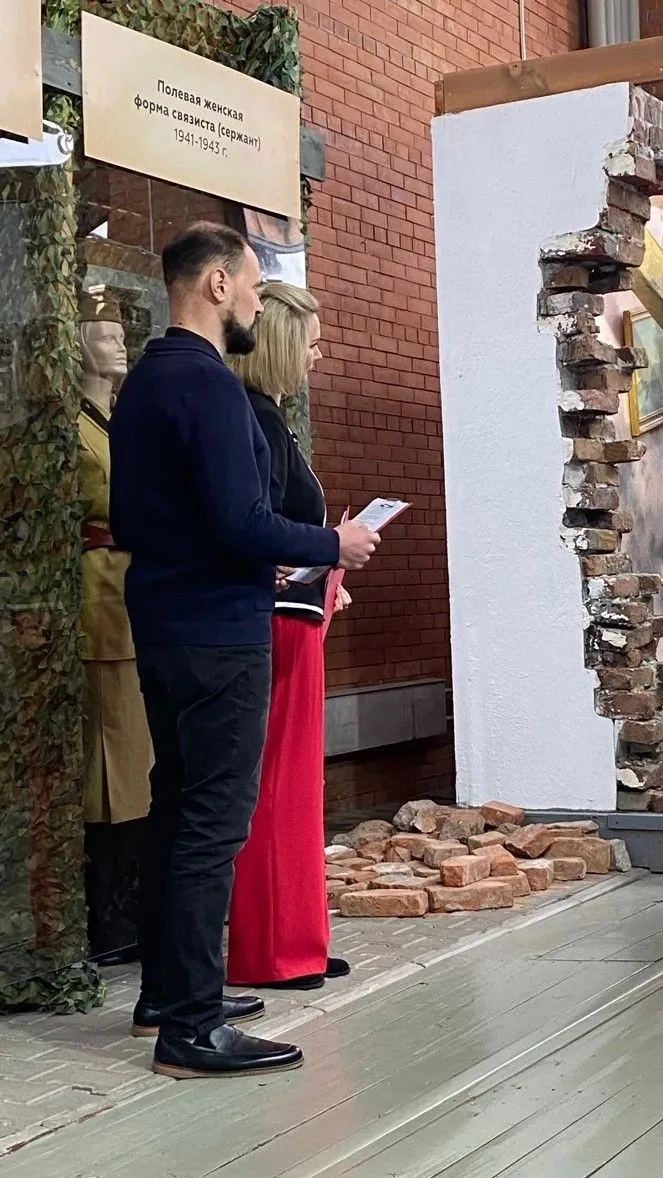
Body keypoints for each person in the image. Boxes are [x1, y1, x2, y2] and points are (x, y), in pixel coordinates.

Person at [109, 222, 380, 1078]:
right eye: (256, 288)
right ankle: (190, 1029)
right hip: (220, 631)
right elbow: (242, 523)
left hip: (161, 621)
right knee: (212, 823)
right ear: (217, 284)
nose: (261, 305)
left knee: (175, 806)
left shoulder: (146, 382)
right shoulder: (211, 386)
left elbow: (140, 518)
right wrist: (334, 545)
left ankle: (167, 995)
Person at [225, 282, 349, 991]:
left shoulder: (269, 419)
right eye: (310, 344)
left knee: (295, 785)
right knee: (277, 783)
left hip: (295, 614)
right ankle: (273, 947)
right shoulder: (255, 421)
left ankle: (298, 937)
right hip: (278, 623)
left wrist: (328, 568)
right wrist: (331, 549)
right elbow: (261, 531)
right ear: (279, 344)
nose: (316, 356)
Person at [77, 290, 151, 966]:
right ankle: (104, 911)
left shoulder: (117, 418)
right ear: (77, 344)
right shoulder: (71, 427)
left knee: (134, 761)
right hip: (97, 601)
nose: (117, 342)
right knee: (109, 763)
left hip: (131, 597)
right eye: (103, 333)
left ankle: (125, 900)